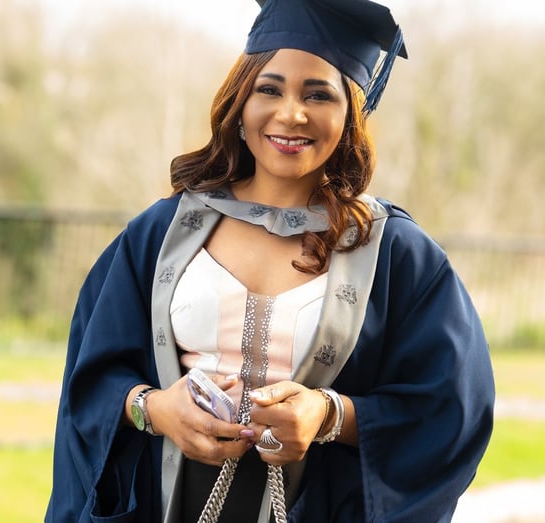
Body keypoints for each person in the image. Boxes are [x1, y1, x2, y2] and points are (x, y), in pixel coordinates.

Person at [45, 0, 495, 521]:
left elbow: (448, 410)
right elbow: (92, 375)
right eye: (270, 89)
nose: (290, 114)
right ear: (241, 102)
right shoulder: (162, 233)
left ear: (350, 114)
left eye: (318, 94)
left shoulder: (395, 253)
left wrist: (329, 415)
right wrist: (157, 410)